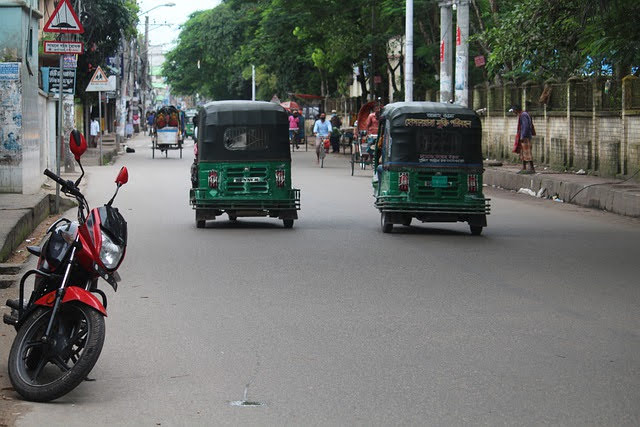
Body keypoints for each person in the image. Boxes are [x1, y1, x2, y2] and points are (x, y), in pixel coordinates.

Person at [512, 104, 536, 173]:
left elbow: (526, 126)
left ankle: (531, 168)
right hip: (524, 136)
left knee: (527, 152)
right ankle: (524, 168)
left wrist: (523, 136)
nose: (513, 112)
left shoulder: (523, 115)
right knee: (523, 152)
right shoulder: (522, 115)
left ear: (516, 110)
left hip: (525, 137)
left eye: (513, 111)